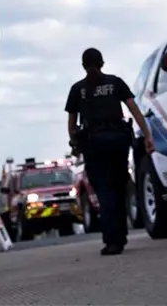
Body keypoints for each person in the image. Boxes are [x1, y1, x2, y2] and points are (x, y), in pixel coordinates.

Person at [65, 47, 155, 256]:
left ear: (83, 65)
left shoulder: (78, 89)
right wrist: (147, 135)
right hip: (118, 141)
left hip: (94, 145)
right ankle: (120, 235)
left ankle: (112, 241)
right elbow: (134, 109)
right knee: (119, 188)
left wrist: (75, 144)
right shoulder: (115, 83)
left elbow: (72, 124)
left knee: (104, 192)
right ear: (102, 63)